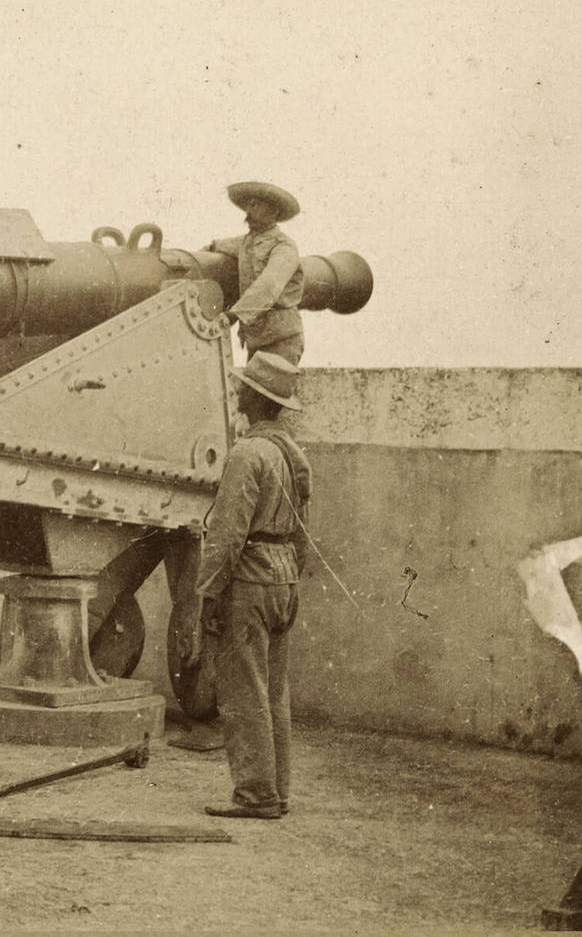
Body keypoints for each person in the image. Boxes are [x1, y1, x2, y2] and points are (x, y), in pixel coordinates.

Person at [182, 351, 311, 819]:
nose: (235, 393)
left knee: (243, 690)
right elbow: (302, 532)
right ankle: (277, 790)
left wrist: (208, 595)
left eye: (241, 389)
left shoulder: (247, 454)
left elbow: (227, 535)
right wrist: (293, 579)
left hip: (250, 579)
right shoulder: (294, 455)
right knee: (275, 691)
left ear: (254, 401)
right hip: (284, 577)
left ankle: (255, 794)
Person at [206, 181, 306, 366]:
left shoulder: (284, 247)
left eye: (256, 205)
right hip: (256, 340)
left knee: (265, 394)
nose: (249, 211)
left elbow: (268, 286)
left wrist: (233, 315)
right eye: (249, 205)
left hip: (281, 340)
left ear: (274, 212)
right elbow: (216, 246)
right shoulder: (246, 242)